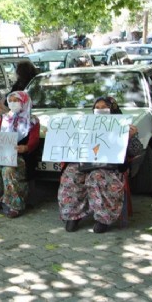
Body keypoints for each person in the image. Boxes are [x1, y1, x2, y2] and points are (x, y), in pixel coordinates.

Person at [58, 96, 143, 233]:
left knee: (97, 176)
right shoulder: (85, 124)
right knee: (71, 174)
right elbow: (74, 144)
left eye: (104, 107)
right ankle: (72, 216)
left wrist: (131, 136)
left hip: (109, 166)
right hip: (86, 162)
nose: (100, 110)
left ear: (112, 109)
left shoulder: (123, 125)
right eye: (97, 108)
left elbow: (136, 151)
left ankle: (104, 218)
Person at [0, 91, 40, 218]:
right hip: (0, 155)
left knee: (8, 171)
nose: (13, 103)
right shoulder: (3, 119)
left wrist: (25, 147)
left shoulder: (32, 121)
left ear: (24, 102)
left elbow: (34, 142)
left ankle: (15, 204)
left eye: (17, 100)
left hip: (20, 156)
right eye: (11, 100)